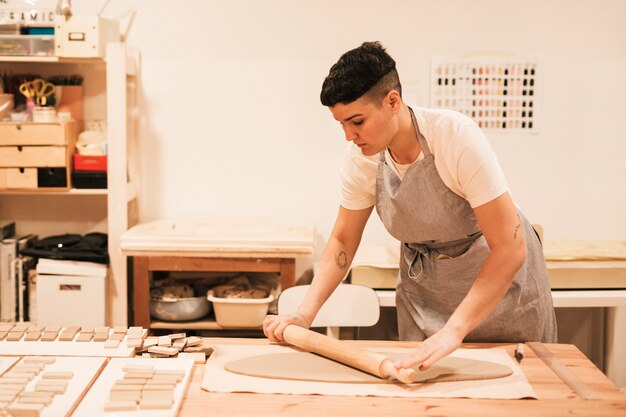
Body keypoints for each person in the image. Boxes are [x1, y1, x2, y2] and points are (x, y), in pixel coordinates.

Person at [263, 41, 557, 371]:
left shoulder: (454, 137)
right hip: (428, 293)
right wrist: (305, 313)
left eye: (357, 121)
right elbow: (343, 240)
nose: (349, 136)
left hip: (499, 292)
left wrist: (454, 331)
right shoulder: (363, 160)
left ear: (392, 101)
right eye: (341, 124)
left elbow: (509, 247)